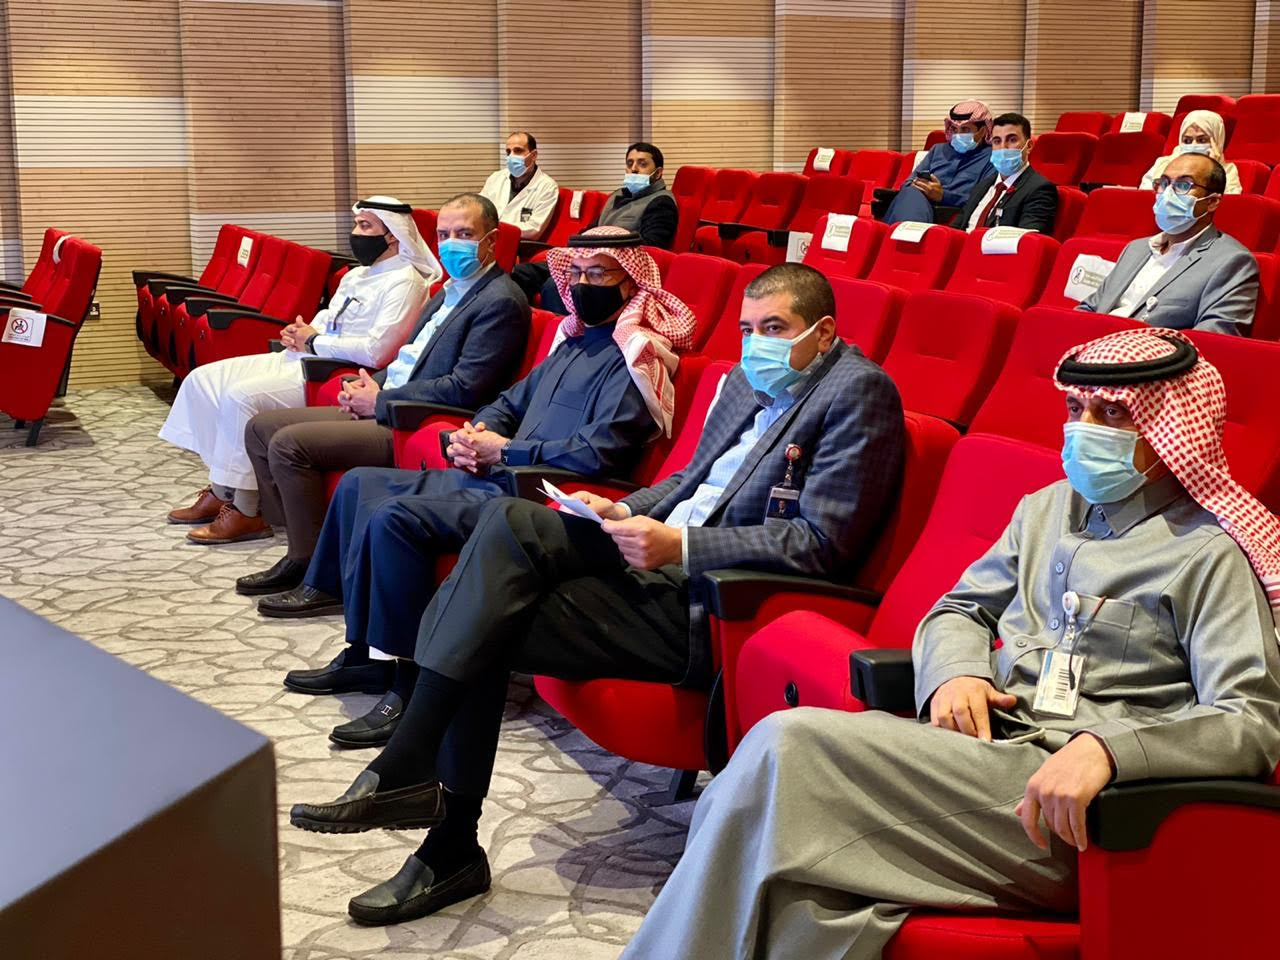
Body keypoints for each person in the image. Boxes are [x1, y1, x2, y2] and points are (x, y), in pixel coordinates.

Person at [618, 327, 1280, 959]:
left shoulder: (1210, 552)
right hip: (979, 751)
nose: (1084, 428)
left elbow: (1250, 720)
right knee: (801, 893)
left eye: (1112, 414)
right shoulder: (1046, 508)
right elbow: (960, 609)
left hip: (1073, 808)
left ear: (1168, 431)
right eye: (1076, 408)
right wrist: (956, 672)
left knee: (785, 751)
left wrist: (1111, 750)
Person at [286, 261, 907, 927]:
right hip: (654, 560)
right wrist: (621, 509)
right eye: (749, 329)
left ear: (823, 331)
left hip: (719, 603)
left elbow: (819, 542)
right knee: (497, 563)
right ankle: (437, 824)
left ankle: (431, 809)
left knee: (490, 588)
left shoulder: (857, 392)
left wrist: (681, 546)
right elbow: (689, 482)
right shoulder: (742, 381)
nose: (758, 343)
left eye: (775, 328)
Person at [268, 226, 697, 746]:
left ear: (630, 282)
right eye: (578, 273)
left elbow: (598, 451)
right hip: (501, 475)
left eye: (598, 274)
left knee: (394, 518)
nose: (584, 284)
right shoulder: (572, 340)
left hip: (539, 497)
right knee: (360, 484)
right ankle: (365, 653)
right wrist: (476, 432)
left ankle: (409, 684)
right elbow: (510, 403)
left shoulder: (636, 355)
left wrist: (506, 452)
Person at [235, 194, 530, 595]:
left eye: (464, 234)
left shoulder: (500, 300)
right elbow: (411, 355)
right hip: (391, 398)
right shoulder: (450, 289)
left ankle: (315, 574)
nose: (450, 244)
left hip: (416, 418)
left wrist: (379, 400)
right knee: (260, 428)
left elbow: (465, 387)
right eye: (443, 235)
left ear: (491, 241)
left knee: (289, 444)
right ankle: (301, 548)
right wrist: (369, 382)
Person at [159, 197, 438, 543]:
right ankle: (222, 487)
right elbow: (328, 318)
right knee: (202, 379)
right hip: (305, 355)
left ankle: (246, 510)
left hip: (333, 369)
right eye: (356, 224)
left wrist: (315, 341)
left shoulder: (405, 282)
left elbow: (377, 350)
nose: (355, 233)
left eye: (365, 226)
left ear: (393, 235)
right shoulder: (357, 275)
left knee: (240, 397)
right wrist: (299, 332)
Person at [1077, 154, 1258, 335]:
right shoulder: (1135, 249)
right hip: (1091, 343)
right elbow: (1091, 307)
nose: (1167, 193)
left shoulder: (1232, 261)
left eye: (1183, 185)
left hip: (1148, 350)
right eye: (1164, 183)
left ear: (1211, 202)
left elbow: (1214, 336)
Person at [511, 142, 677, 305]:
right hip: (586, 260)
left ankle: (563, 324)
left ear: (658, 173)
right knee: (522, 273)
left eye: (642, 164)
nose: (634, 169)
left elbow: (651, 248)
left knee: (553, 286)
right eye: (629, 163)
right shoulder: (617, 195)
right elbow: (591, 230)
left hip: (613, 269)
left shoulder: (661, 202)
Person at [883, 100, 993, 224]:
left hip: (954, 215)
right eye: (954, 129)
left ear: (983, 131)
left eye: (965, 129)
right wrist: (926, 188)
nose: (958, 134)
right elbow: (909, 182)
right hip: (919, 203)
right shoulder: (938, 150)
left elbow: (984, 200)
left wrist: (943, 195)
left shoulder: (991, 157)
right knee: (910, 192)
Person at [957, 112, 1058, 234]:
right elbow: (957, 226)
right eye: (997, 141)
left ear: (1029, 146)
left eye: (1012, 140)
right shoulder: (983, 185)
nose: (1003, 147)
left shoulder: (1040, 189)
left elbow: (1028, 239)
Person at [479, 131, 559, 239]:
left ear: (534, 155)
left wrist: (495, 228)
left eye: (518, 151)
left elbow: (533, 230)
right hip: (487, 239)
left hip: (516, 244)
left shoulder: (547, 187)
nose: (511, 156)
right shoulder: (496, 178)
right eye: (508, 152)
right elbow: (479, 210)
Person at [1140, 110, 1242, 194]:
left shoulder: (1228, 171)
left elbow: (1226, 205)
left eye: (1202, 140)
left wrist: (1213, 169)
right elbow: (1144, 198)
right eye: (1187, 141)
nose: (1193, 145)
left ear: (1217, 141)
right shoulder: (1162, 163)